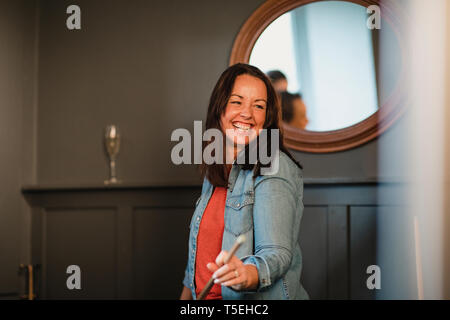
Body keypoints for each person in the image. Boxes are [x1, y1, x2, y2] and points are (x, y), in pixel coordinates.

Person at [180, 63, 308, 300]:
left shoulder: (273, 165)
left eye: (258, 106)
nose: (247, 113)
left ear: (266, 118)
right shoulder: (215, 169)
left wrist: (247, 273)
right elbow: (196, 265)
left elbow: (276, 253)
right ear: (219, 108)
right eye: (237, 101)